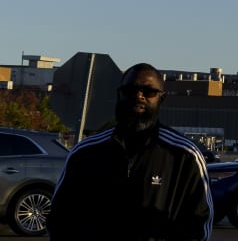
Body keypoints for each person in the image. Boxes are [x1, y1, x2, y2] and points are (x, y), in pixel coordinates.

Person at [50, 62, 214, 240]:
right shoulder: (86, 153)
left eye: (148, 91)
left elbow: (199, 224)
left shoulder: (184, 156)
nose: (139, 96)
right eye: (130, 90)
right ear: (119, 94)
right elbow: (60, 219)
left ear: (161, 98)